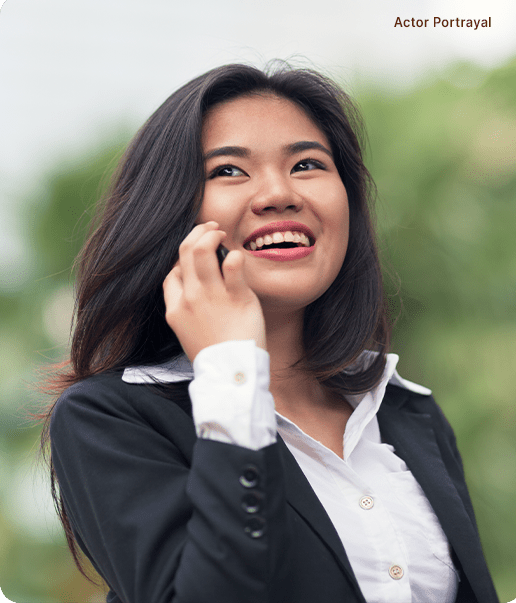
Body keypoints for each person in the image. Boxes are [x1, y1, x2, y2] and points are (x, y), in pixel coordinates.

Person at [41, 62, 499, 603]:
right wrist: (231, 368)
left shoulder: (407, 411)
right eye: (229, 171)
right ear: (168, 213)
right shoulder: (111, 419)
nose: (279, 193)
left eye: (307, 164)